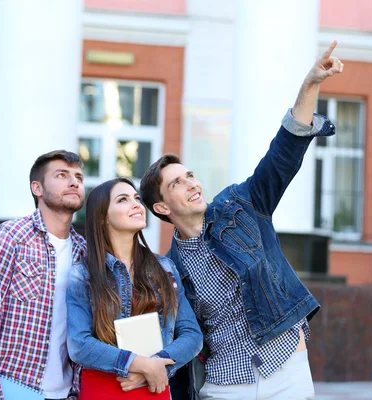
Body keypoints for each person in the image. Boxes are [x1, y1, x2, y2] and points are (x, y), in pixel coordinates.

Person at [139, 41, 344, 400]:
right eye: (176, 183)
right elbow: (179, 332)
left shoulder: (241, 204)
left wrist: (311, 83)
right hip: (224, 383)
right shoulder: (171, 268)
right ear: (161, 208)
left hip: (285, 368)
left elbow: (283, 153)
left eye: (190, 175)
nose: (192, 184)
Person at [0, 150, 87, 399]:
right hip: (12, 387)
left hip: (67, 392)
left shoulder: (85, 252)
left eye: (78, 176)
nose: (74, 182)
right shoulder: (8, 237)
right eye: (62, 175)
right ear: (37, 188)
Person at [66, 177, 203, 399]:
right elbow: (79, 345)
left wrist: (157, 364)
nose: (136, 204)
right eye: (123, 199)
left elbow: (192, 335)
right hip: (103, 388)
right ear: (102, 217)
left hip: (154, 387)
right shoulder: (83, 274)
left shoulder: (165, 269)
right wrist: (139, 364)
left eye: (137, 199)